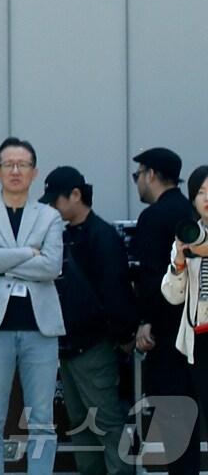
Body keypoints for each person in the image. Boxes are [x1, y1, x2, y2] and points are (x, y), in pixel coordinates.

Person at [0, 137, 65, 475]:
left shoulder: (50, 216)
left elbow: (52, 266)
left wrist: (2, 261)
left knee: (42, 420)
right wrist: (26, 254)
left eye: (23, 164)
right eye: (9, 164)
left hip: (41, 328)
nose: (16, 170)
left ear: (35, 172)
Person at [41, 166, 135, 475]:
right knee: (84, 427)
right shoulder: (74, 235)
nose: (52, 208)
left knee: (105, 425)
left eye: (56, 200)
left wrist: (120, 336)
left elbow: (115, 293)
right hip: (74, 346)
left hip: (93, 346)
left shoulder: (101, 237)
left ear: (76, 195)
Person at [130, 147, 198, 475]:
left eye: (138, 175)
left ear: (152, 174)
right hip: (196, 334)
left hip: (167, 337)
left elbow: (151, 277)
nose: (138, 182)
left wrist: (145, 322)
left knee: (173, 427)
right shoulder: (191, 214)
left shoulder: (154, 218)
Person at [159, 165, 208, 461]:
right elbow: (173, 296)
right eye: (200, 192)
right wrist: (179, 261)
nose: (206, 198)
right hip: (199, 340)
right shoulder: (188, 236)